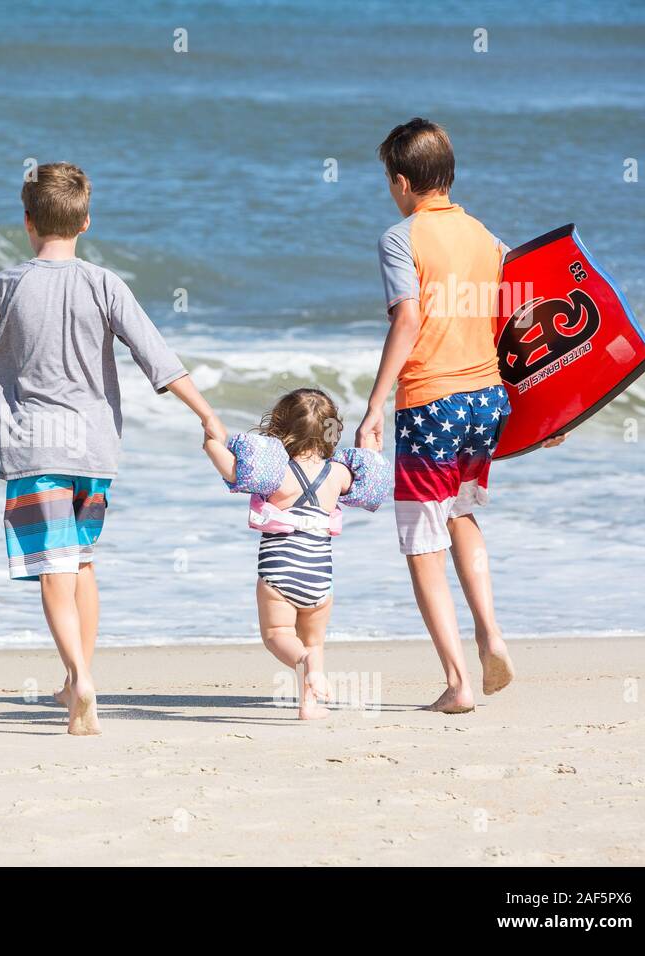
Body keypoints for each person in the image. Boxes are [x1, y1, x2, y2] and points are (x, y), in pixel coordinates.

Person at [0, 162, 224, 735]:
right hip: (96, 451)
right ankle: (78, 677)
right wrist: (207, 414)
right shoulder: (105, 284)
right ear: (86, 221)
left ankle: (79, 680)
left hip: (36, 448)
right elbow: (159, 359)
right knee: (82, 563)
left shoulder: (6, 285)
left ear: (26, 221)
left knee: (53, 568)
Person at [354, 117, 564, 713]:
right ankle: (490, 633)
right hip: (486, 401)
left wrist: (374, 406)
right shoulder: (484, 236)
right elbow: (522, 320)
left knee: (421, 542)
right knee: (462, 517)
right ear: (448, 175)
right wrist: (549, 412)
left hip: (431, 402)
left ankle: (457, 682)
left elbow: (408, 320)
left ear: (401, 182)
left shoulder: (401, 238)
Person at [205, 389, 391, 719]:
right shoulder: (337, 474)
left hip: (280, 574)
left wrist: (211, 442)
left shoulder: (275, 473)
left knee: (278, 635)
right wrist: (371, 452)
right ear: (332, 431)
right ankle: (309, 703)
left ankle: (302, 663)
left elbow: (232, 471)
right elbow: (368, 473)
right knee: (314, 642)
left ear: (278, 428)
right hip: (320, 577)